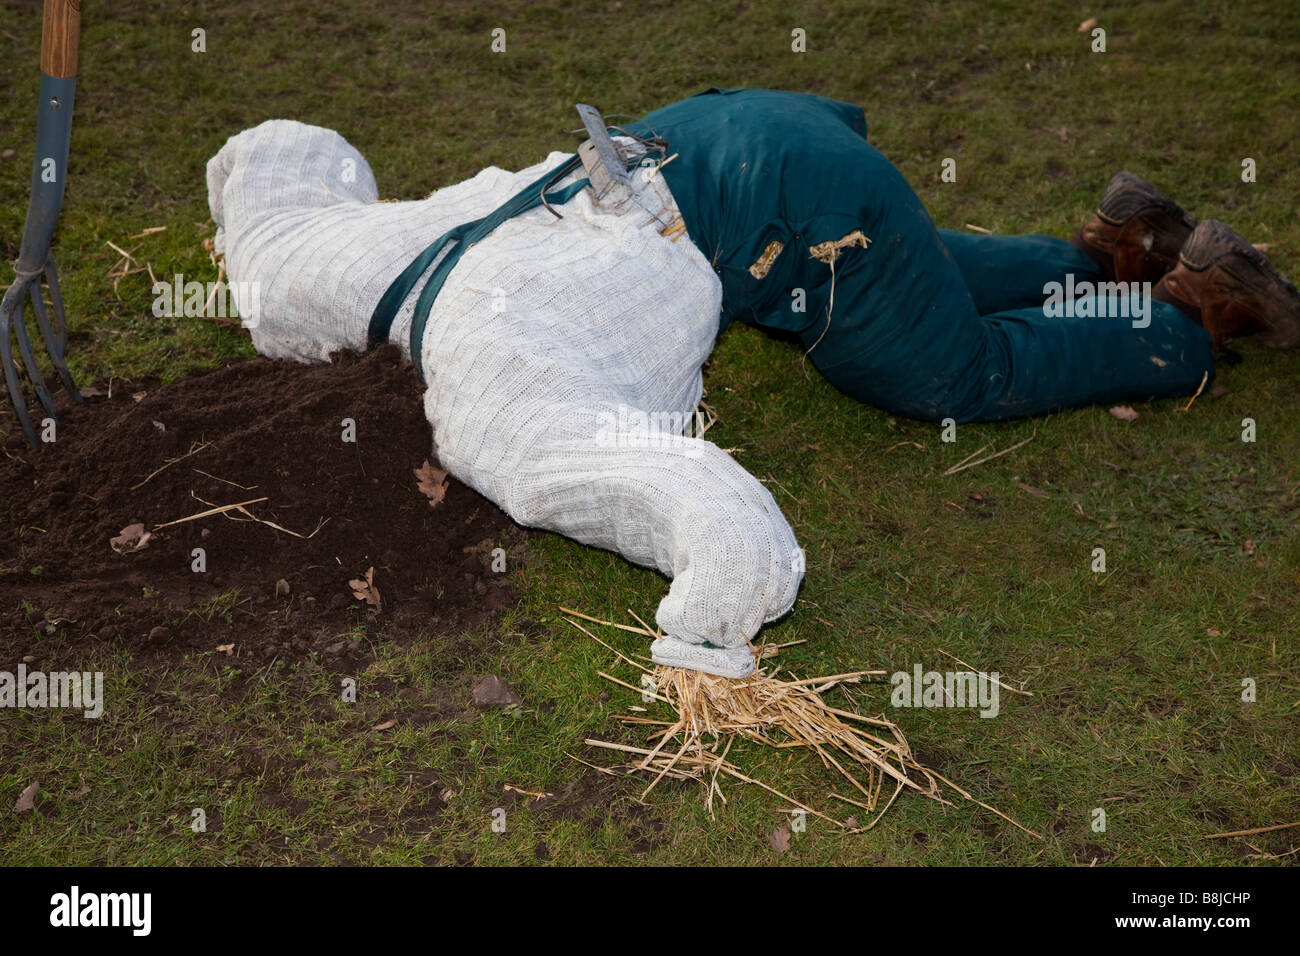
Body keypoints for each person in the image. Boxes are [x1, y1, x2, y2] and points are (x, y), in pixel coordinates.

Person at [206, 88, 1297, 679]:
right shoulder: (376, 259)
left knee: (953, 369)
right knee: (905, 281)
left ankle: (1191, 315)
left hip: (793, 206)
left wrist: (706, 627)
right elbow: (274, 209)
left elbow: (690, 500)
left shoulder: (495, 395)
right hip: (718, 133)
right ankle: (1116, 251)